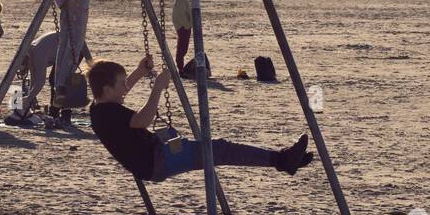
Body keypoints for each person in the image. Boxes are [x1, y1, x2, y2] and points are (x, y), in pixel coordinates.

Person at [88, 56, 314, 182]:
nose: (126, 87)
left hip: (160, 153)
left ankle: (285, 160)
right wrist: (157, 88)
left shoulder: (100, 107)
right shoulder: (109, 114)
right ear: (107, 89)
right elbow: (142, 121)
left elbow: (125, 93)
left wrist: (139, 71)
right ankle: (282, 161)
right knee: (220, 150)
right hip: (157, 162)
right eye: (121, 83)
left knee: (210, 148)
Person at [10, 31, 93, 119]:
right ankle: (56, 112)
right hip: (66, 46)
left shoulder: (38, 55)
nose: (26, 71)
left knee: (58, 80)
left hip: (74, 48)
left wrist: (29, 98)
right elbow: (34, 79)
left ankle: (62, 113)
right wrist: (31, 97)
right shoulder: (30, 52)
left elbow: (40, 82)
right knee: (55, 79)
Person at [172, 0, 192, 74]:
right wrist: (187, 26)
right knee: (182, 49)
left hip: (183, 26)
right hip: (183, 27)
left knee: (183, 48)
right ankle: (180, 69)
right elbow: (180, 15)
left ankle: (181, 68)